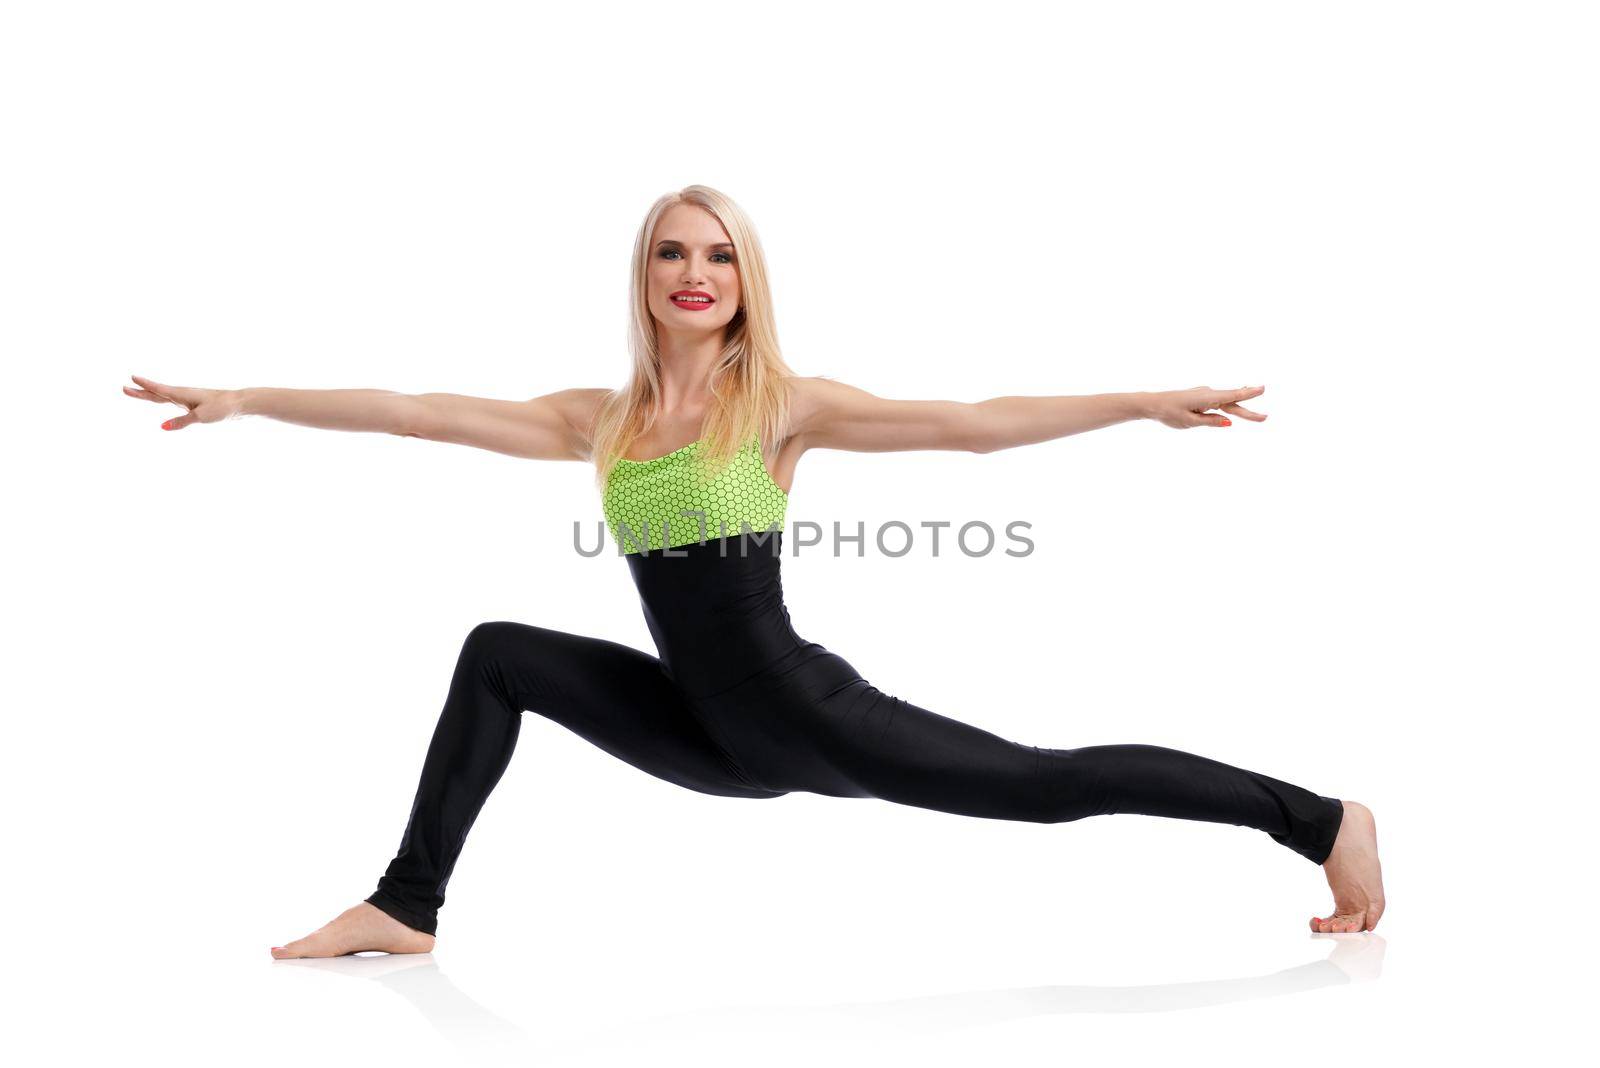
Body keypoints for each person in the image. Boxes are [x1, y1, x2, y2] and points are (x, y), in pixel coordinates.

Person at [124, 185, 1385, 958]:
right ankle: (407, 905)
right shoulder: (596, 419)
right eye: (673, 253)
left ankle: (1323, 821)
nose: (693, 274)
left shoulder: (781, 405)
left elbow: (971, 420)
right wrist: (246, 397)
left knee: (1044, 789)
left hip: (804, 713)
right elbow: (415, 410)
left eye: (716, 256)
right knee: (498, 652)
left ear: (743, 282)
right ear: (646, 275)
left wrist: (1137, 403)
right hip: (709, 737)